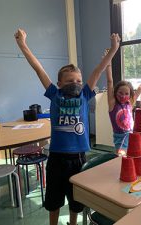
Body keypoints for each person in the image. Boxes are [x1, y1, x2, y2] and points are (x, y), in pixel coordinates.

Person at [14, 28, 120, 225]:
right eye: (70, 81)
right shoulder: (55, 94)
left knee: (76, 200)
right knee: (53, 201)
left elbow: (98, 70)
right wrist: (23, 45)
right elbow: (39, 69)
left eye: (79, 80)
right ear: (59, 84)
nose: (76, 83)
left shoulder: (85, 95)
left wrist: (114, 50)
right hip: (56, 157)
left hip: (79, 158)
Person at [105, 58, 141, 156]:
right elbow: (110, 82)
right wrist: (108, 63)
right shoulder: (112, 104)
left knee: (136, 157)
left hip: (133, 135)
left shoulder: (130, 103)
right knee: (122, 158)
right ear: (115, 93)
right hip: (120, 139)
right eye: (120, 93)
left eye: (126, 93)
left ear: (130, 95)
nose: (123, 96)